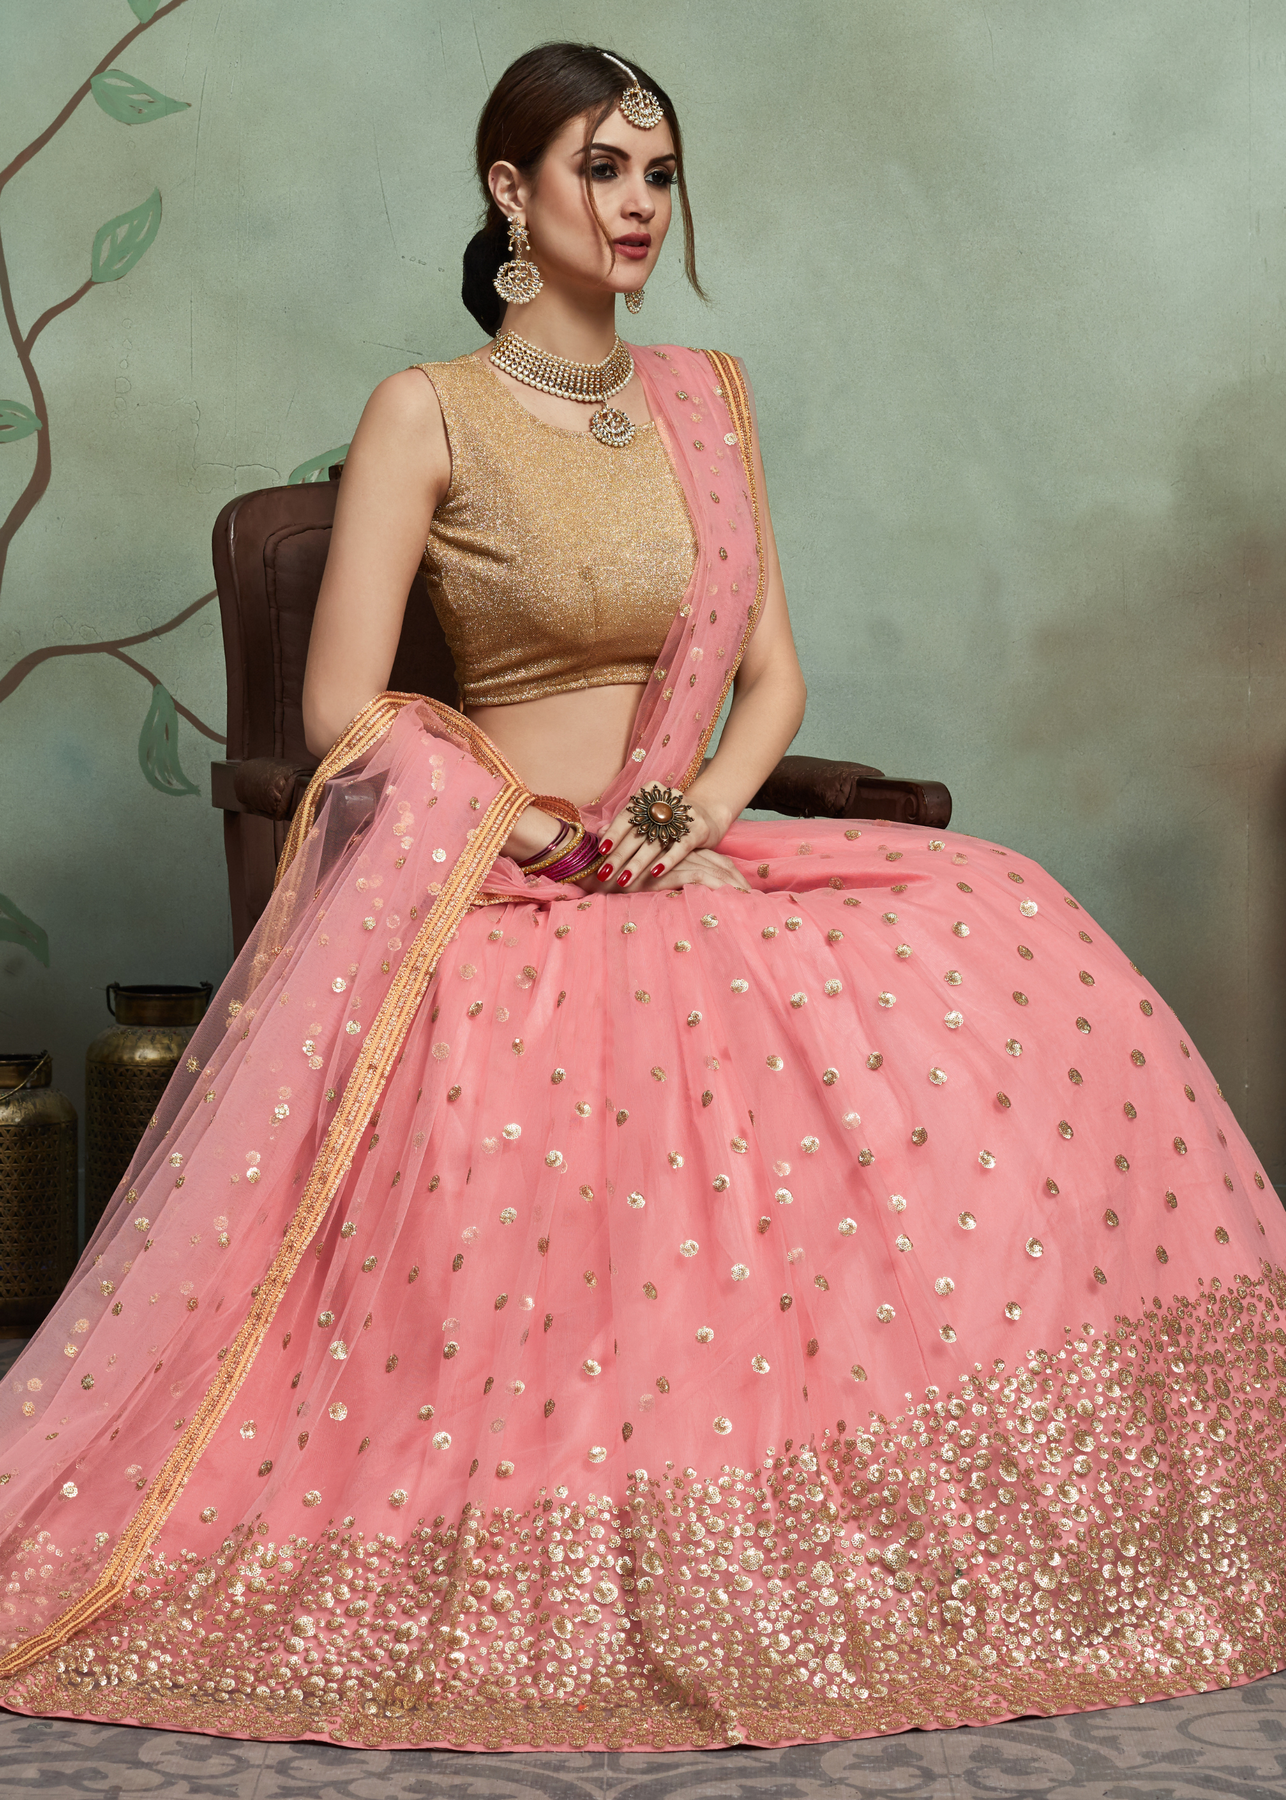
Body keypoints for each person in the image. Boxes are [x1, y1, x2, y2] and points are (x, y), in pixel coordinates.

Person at [0, 40, 1281, 1756]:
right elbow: (343, 709)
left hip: (683, 853)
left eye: (658, 174)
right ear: (508, 190)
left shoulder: (704, 402)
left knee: (1007, 925)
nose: (636, 206)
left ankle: (946, 1502)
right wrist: (526, 834)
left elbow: (772, 680)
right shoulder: (427, 410)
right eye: (599, 169)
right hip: (505, 879)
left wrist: (692, 813)